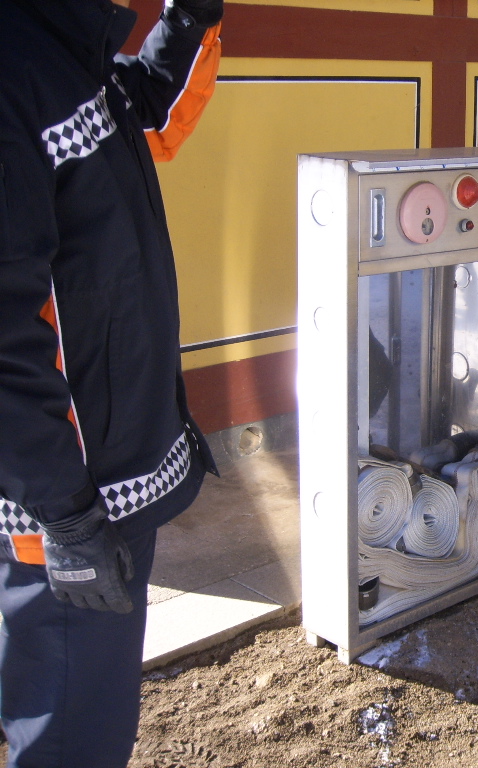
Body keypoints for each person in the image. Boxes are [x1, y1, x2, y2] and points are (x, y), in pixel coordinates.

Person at [0, 0, 223, 764]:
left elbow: (150, 113)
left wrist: (193, 17)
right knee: (72, 740)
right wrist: (66, 519)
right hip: (66, 504)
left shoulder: (64, 52)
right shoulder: (16, 73)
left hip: (94, 486)